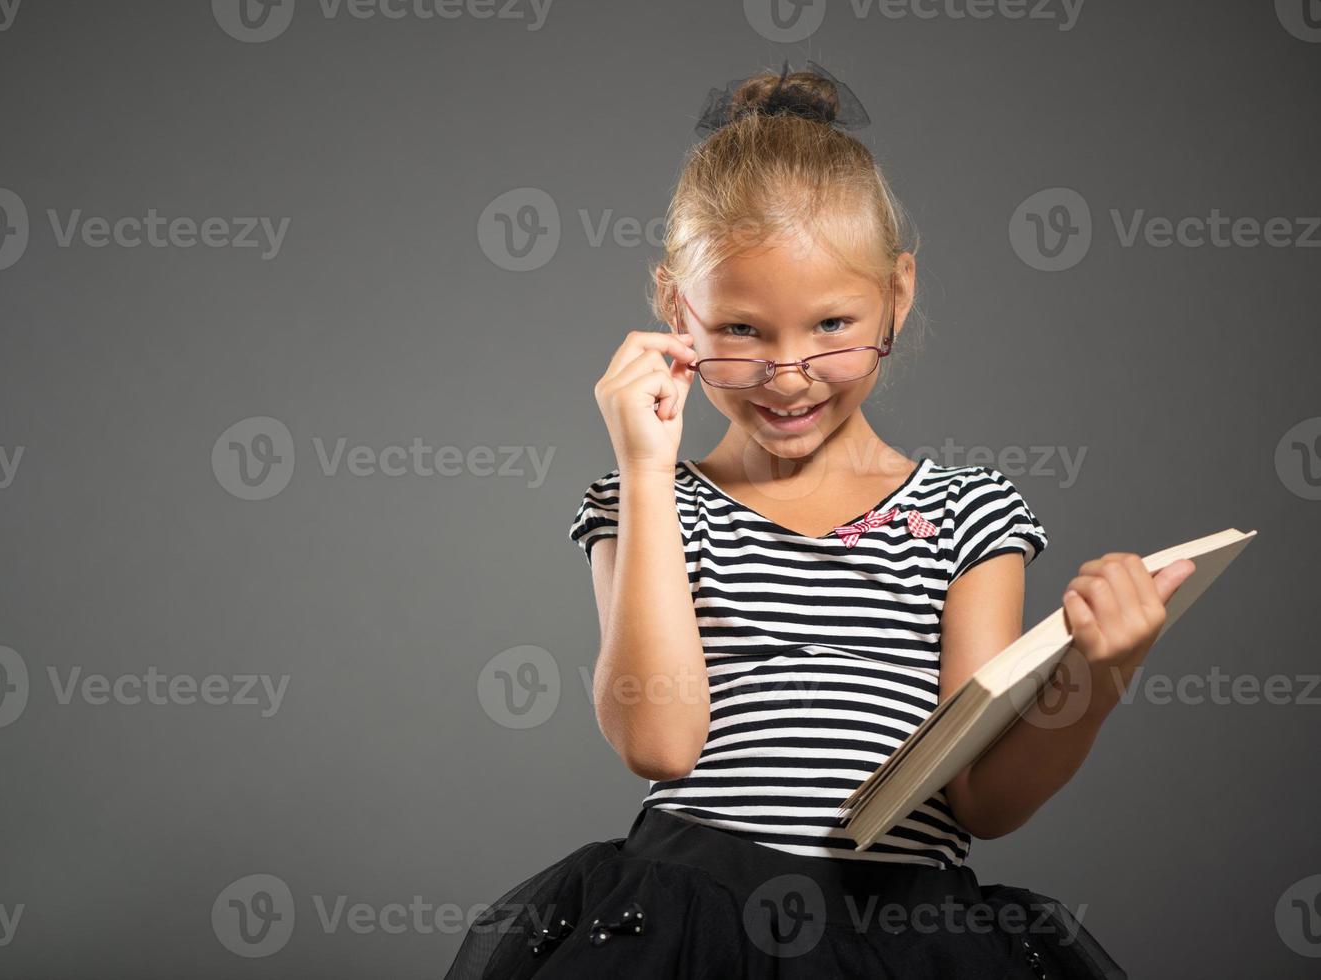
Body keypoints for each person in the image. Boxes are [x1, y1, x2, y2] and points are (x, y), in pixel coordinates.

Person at [442, 60, 1195, 980]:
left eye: (834, 325)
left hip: (902, 931)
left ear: (898, 294)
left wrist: (1101, 675)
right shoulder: (648, 506)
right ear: (680, 310)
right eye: (743, 330)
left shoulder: (969, 515)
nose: (789, 373)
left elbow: (984, 802)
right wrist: (644, 470)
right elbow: (659, 741)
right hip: (689, 925)